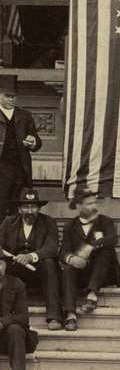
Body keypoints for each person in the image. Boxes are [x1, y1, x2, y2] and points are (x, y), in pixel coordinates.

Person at [58, 189, 120, 331]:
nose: (94, 206)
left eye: (95, 202)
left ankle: (92, 295)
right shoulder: (70, 226)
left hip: (104, 273)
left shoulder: (105, 221)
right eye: (89, 204)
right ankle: (70, 314)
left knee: (105, 249)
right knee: (68, 268)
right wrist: (71, 259)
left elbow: (113, 239)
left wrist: (90, 247)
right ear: (78, 206)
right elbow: (63, 251)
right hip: (82, 272)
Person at [0, 188, 61, 330]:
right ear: (20, 209)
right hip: (14, 269)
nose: (29, 211)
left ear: (39, 209)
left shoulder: (49, 222)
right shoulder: (9, 222)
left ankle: (54, 317)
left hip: (38, 270)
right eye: (26, 207)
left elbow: (51, 248)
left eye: (33, 207)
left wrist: (30, 257)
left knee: (49, 264)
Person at [0, 75, 42, 217]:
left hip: (20, 169)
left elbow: (37, 143)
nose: (11, 99)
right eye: (7, 96)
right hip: (1, 168)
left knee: (18, 206)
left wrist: (33, 142)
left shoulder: (25, 116)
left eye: (14, 96)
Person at [0, 259, 31, 370]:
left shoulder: (17, 284)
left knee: (16, 329)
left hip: (7, 337)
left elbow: (23, 317)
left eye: (0, 264)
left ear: (5, 265)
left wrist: (3, 322)